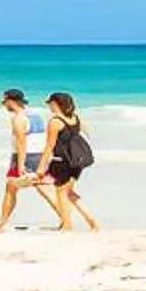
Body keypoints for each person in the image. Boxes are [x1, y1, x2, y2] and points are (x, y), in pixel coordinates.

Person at [0, 88, 63, 232]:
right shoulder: (35, 115)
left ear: (11, 101)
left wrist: (21, 165)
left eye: (4, 101)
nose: (3, 105)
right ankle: (65, 218)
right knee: (43, 189)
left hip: (25, 157)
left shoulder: (18, 118)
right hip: (39, 155)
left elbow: (21, 143)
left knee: (11, 188)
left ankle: (1, 224)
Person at [41, 92, 100, 232]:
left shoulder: (55, 121)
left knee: (61, 193)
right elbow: (84, 134)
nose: (49, 105)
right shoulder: (74, 118)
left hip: (63, 162)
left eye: (50, 103)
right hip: (77, 162)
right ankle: (92, 222)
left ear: (56, 104)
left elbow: (49, 147)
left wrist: (41, 167)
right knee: (69, 193)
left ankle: (67, 226)